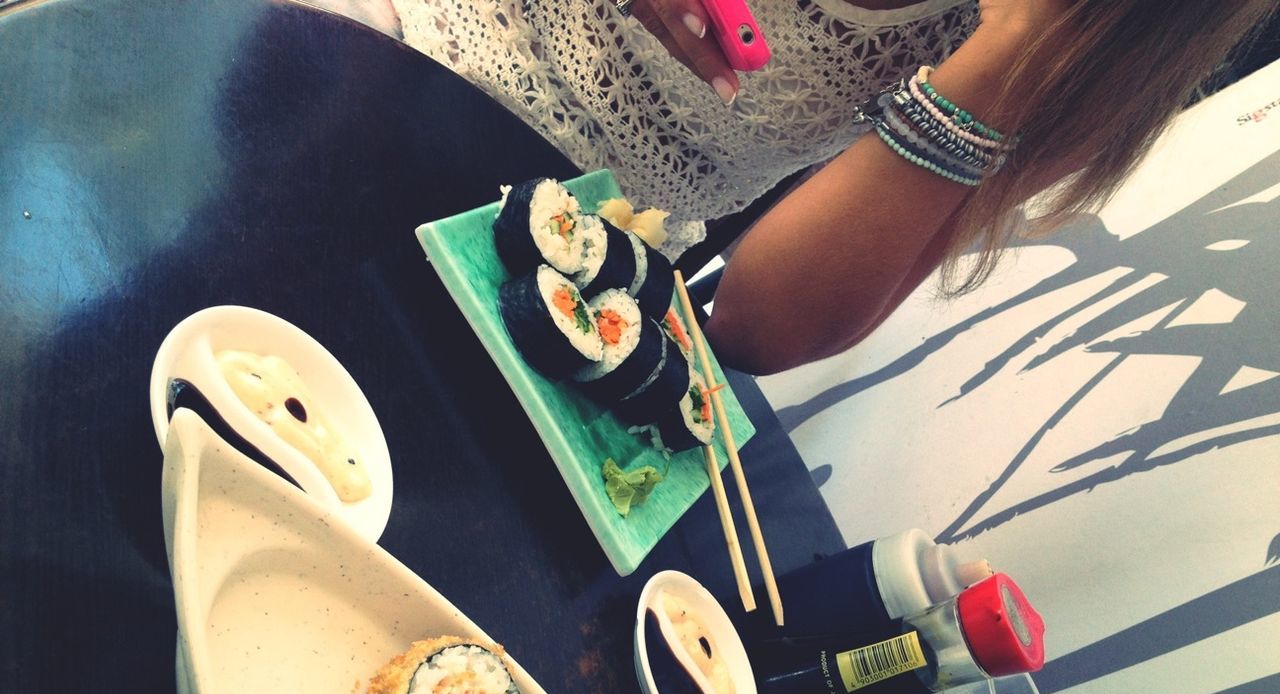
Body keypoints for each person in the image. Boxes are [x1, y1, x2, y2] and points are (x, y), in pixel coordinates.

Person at [382, 0, 1274, 372]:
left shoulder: (1088, 55)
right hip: (394, 42)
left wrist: (1018, 47)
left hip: (579, 261)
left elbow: (756, 327)